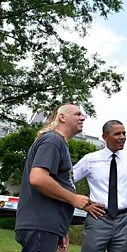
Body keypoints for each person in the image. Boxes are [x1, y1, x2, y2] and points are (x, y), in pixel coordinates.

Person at [73, 120, 127, 252]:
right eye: (117, 134)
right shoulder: (90, 159)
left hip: (124, 220)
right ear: (105, 137)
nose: (122, 137)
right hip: (99, 217)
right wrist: (82, 203)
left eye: (124, 133)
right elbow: (67, 181)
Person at [15, 103, 91, 252]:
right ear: (62, 117)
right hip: (40, 226)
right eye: (77, 114)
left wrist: (60, 228)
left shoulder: (58, 142)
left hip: (48, 226)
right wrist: (73, 198)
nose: (83, 118)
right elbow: (38, 178)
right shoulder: (52, 140)